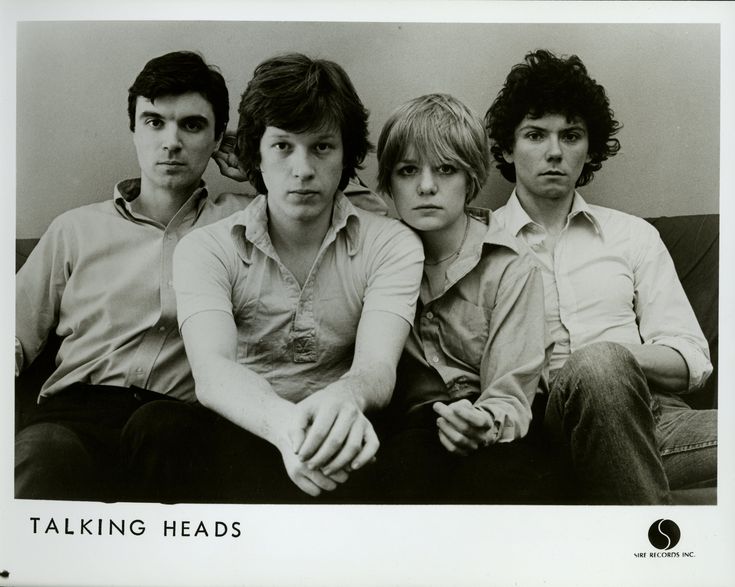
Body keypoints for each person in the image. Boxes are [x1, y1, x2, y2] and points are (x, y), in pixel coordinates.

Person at [14, 50, 389, 502]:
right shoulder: (74, 229)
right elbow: (12, 337)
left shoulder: (241, 222)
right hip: (74, 413)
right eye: (154, 122)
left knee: (170, 443)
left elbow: (363, 216)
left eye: (192, 125)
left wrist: (256, 167)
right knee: (42, 457)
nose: (171, 141)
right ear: (132, 129)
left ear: (218, 140)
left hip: (176, 421)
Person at [132, 53, 424, 503]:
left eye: (322, 147)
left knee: (422, 441)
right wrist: (285, 428)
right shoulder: (206, 248)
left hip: (344, 428)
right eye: (283, 146)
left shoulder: (392, 244)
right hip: (249, 430)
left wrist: (342, 405)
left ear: (346, 154)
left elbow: (377, 367)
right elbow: (213, 373)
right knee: (158, 427)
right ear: (257, 155)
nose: (303, 170)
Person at [485, 49, 717, 504]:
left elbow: (692, 360)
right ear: (509, 147)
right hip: (551, 428)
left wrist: (615, 358)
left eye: (570, 135)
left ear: (588, 147)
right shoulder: (481, 243)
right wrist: (596, 366)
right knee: (597, 367)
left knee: (604, 362)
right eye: (535, 135)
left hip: (661, 419)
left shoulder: (633, 236)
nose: (554, 152)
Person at [364, 93, 562, 504]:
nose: (426, 186)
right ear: (388, 185)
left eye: (446, 169)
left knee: (502, 483)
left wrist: (482, 422)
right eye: (407, 171)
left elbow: (513, 386)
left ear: (470, 179)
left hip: (497, 424)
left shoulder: (510, 265)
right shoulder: (376, 254)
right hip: (412, 429)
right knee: (398, 477)